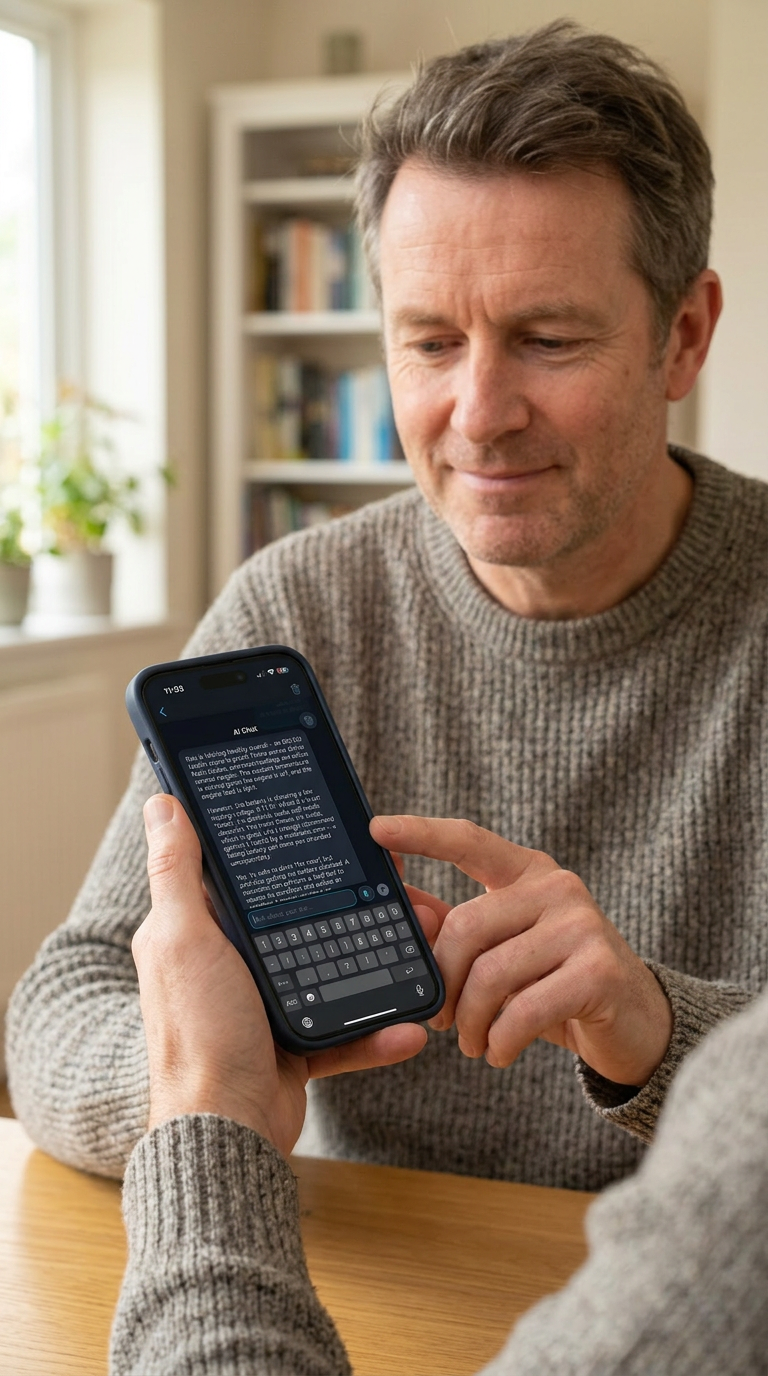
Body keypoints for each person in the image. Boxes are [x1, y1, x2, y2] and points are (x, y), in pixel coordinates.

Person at [6, 23, 768, 1193]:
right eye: (428, 342)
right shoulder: (295, 602)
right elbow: (65, 1005)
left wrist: (661, 1025)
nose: (477, 412)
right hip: (374, 1290)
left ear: (685, 334)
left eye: (547, 339)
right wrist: (213, 1078)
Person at [112, 795, 768, 1375]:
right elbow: (67, 985)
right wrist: (213, 1071)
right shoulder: (280, 648)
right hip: (370, 1270)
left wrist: (207, 1113)